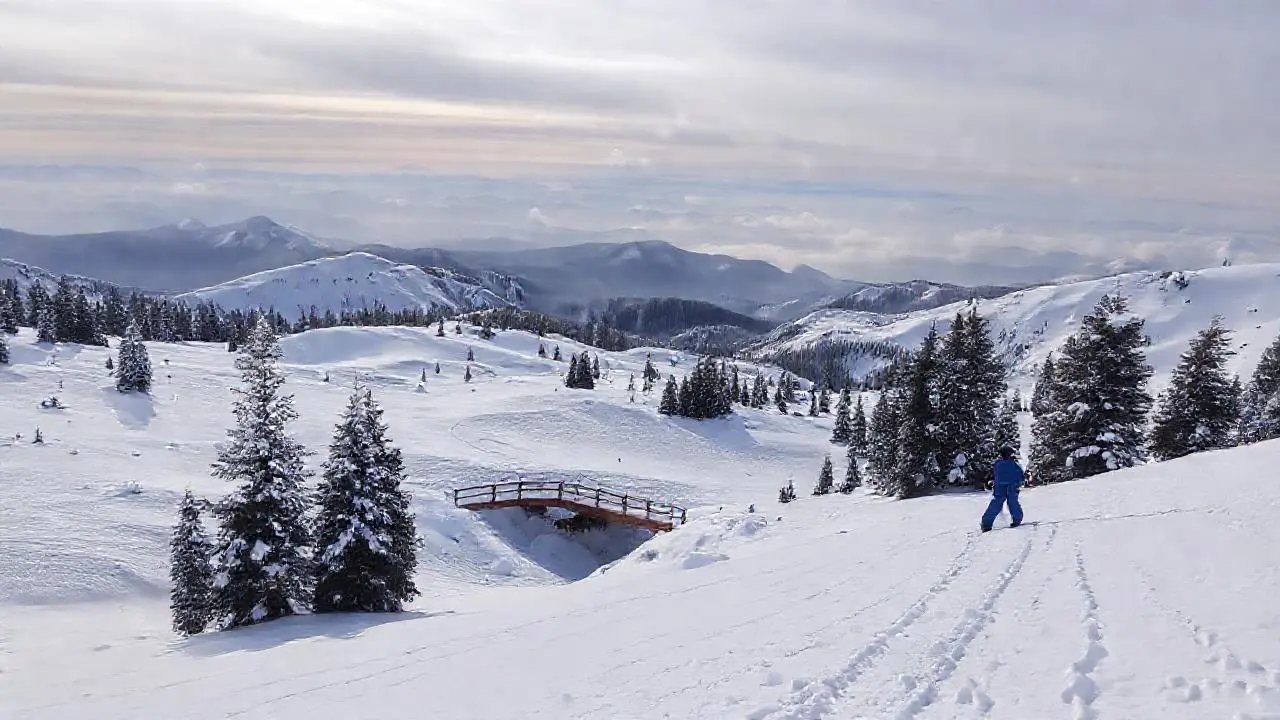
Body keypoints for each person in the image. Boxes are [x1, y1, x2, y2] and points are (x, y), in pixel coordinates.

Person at [981, 445, 1025, 532]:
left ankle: (986, 523)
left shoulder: (998, 464)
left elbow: (994, 474)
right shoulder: (1014, 464)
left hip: (1000, 487)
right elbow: (1020, 474)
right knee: (1013, 502)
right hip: (1012, 486)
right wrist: (1020, 482)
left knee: (996, 504)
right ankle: (1017, 519)